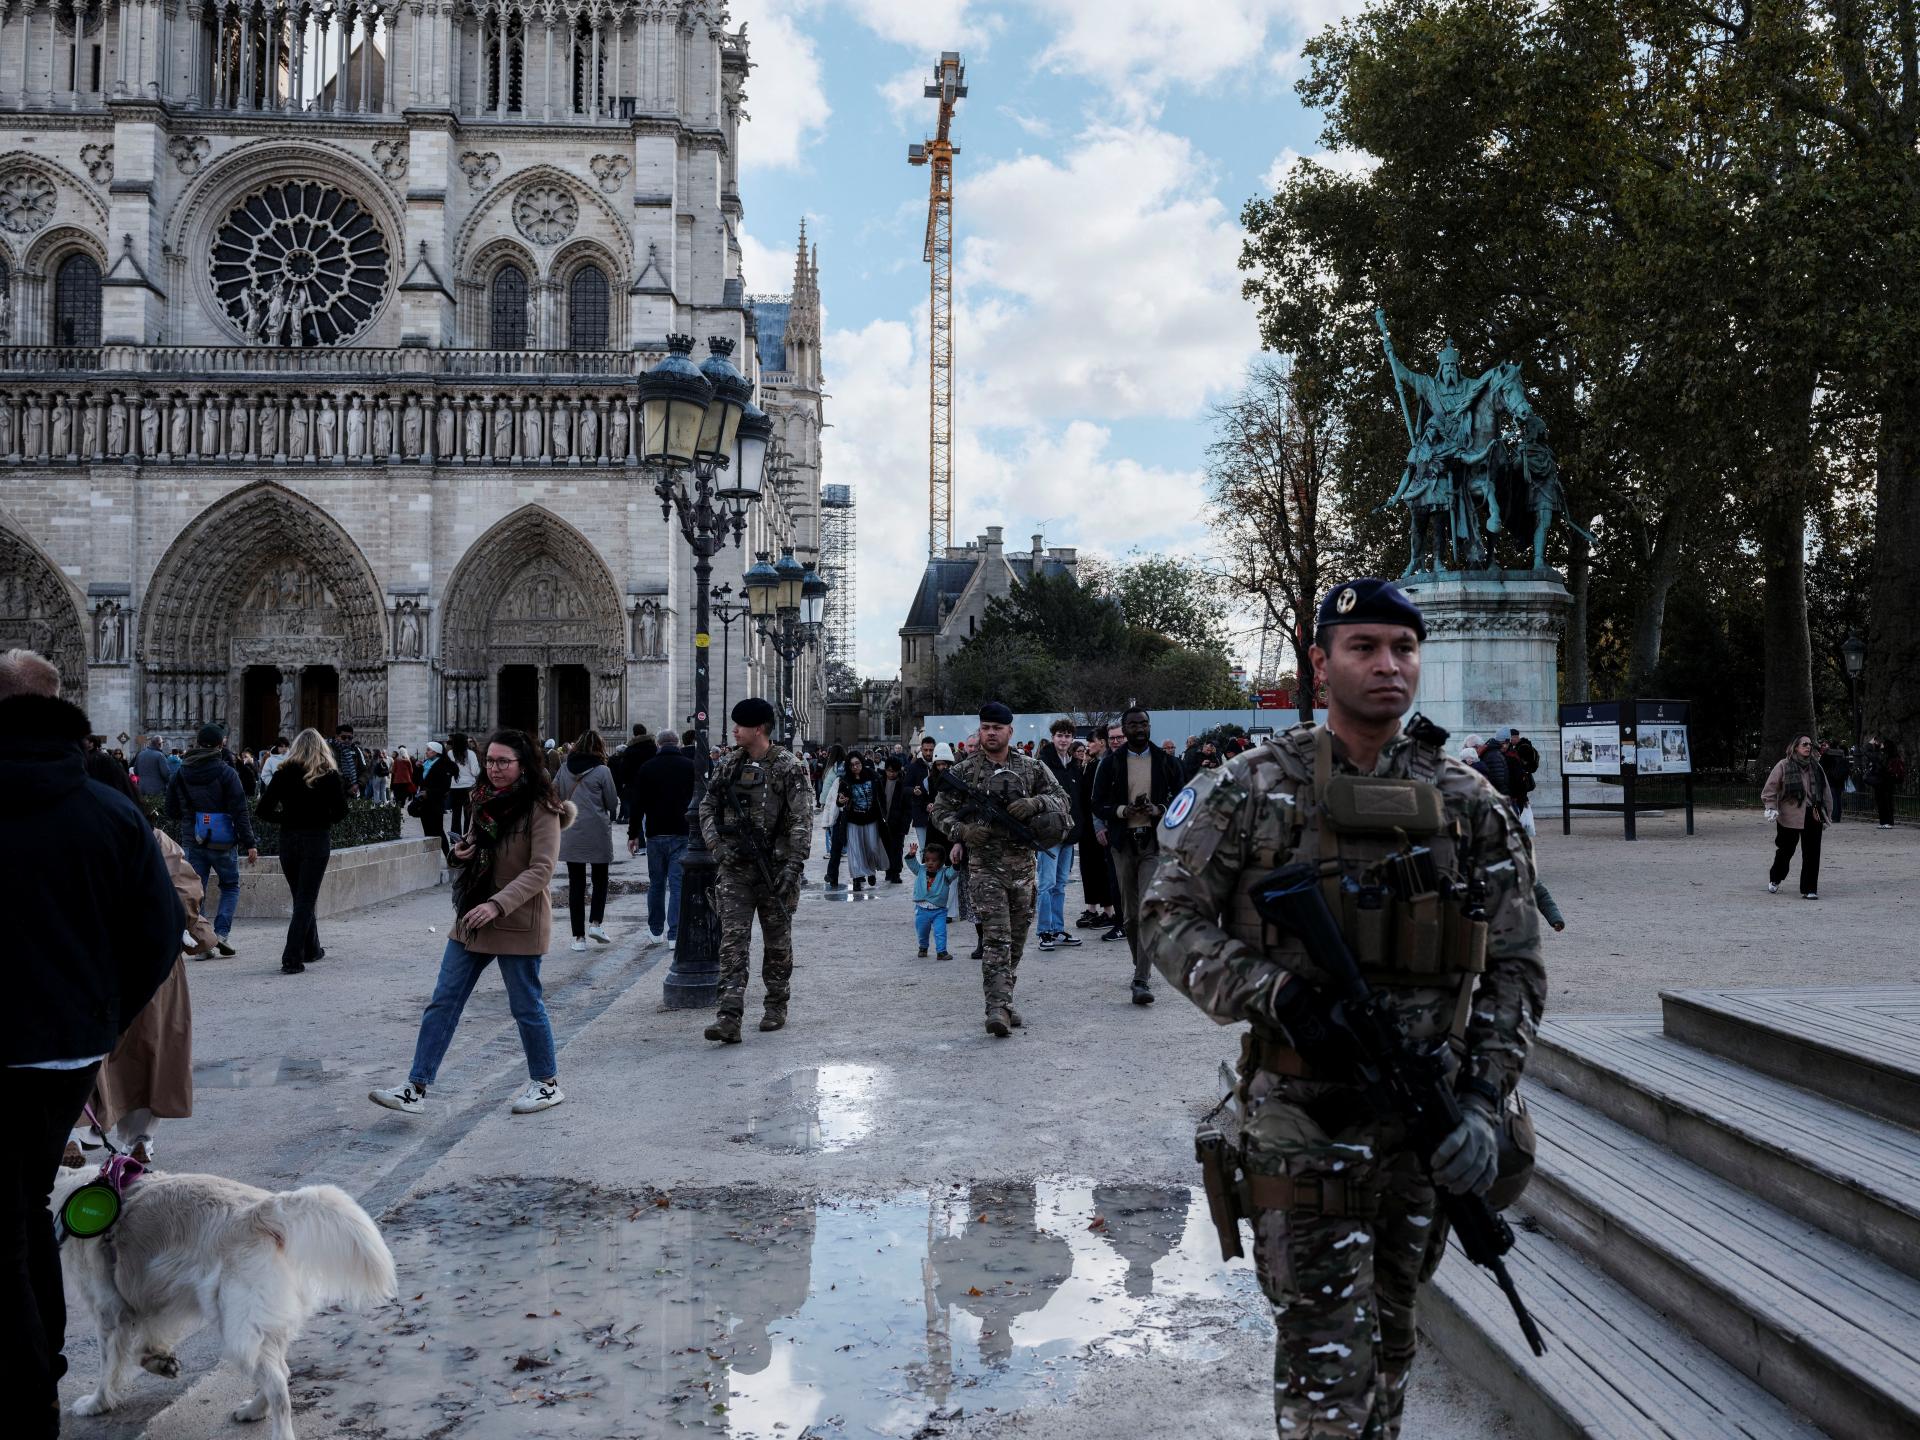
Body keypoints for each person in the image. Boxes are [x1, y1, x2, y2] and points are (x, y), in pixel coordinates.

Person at [1140, 578, 1546, 1440]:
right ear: (1320, 664)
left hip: (1423, 1125)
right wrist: (1275, 993)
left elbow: (1515, 967)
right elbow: (1166, 920)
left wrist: (1480, 1100)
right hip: (1301, 1117)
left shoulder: (1468, 800)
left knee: (1391, 1346)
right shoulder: (1250, 787)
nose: (1388, 666)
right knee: (1329, 1364)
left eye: (1403, 648)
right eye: (1363, 647)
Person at [0, 649, 181, 1435]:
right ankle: (44, 1373)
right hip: (65, 1057)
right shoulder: (111, 811)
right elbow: (160, 931)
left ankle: (29, 1384)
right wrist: (99, 1020)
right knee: (25, 1204)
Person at [370, 728, 571, 1116]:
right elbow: (477, 849)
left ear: (523, 763)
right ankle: (415, 1087)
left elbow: (541, 870)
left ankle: (546, 1083)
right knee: (443, 1001)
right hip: (474, 914)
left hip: (515, 917)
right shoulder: (483, 799)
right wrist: (461, 854)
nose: (494, 769)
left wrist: (498, 904)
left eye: (503, 762)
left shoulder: (542, 806)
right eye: (490, 761)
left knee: (525, 1005)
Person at [930, 701, 1071, 1037]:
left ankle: (1004, 1000)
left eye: (997, 728)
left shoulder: (1032, 768)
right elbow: (939, 811)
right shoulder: (964, 772)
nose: (990, 733)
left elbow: (1063, 801)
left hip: (1023, 867)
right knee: (997, 939)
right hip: (985, 869)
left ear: (1010, 731)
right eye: (985, 727)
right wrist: (961, 831)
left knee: (1018, 941)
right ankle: (996, 1009)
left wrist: (1036, 803)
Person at [87, 813, 214, 1164]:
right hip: (153, 958)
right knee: (150, 1049)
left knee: (88, 1048)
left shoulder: (67, 825)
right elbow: (186, 888)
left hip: (95, 956)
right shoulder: (154, 837)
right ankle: (140, 1137)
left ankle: (80, 1130)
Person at [700, 697, 815, 1043]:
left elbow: (801, 820)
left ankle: (776, 1004)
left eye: (741, 725)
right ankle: (729, 1015)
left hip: (775, 870)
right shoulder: (729, 765)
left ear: (760, 728)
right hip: (735, 868)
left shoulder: (788, 766)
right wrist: (718, 849)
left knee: (777, 942)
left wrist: (793, 867)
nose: (734, 730)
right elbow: (707, 807)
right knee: (732, 941)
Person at [1090, 706, 1186, 1004]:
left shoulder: (1168, 762)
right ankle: (1140, 964)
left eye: (1144, 723)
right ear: (1124, 728)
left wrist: (1160, 809)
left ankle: (1141, 979)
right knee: (1130, 917)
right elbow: (1097, 803)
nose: (1139, 728)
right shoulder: (1110, 764)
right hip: (1123, 844)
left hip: (1154, 845)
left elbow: (1184, 801)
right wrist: (1122, 811)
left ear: (1149, 726)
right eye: (1133, 724)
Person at [256, 728, 349, 973]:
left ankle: (312, 949)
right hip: (316, 839)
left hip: (289, 840)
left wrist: (287, 817)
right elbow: (341, 812)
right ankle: (291, 957)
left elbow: (262, 810)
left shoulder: (283, 773)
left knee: (301, 897)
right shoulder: (328, 775)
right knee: (306, 898)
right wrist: (320, 818)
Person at [165, 722, 260, 957]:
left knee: (197, 889)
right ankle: (222, 933)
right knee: (230, 885)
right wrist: (250, 843)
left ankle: (202, 941)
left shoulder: (181, 771)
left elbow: (171, 809)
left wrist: (192, 816)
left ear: (198, 744)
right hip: (223, 839)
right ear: (220, 745)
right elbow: (240, 810)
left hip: (194, 837)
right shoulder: (227, 771)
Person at [629, 730, 696, 944]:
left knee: (656, 884)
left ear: (658, 744)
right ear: (677, 744)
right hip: (681, 831)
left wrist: (633, 834)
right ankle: (674, 934)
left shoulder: (647, 767)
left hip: (655, 832)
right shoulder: (689, 766)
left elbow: (637, 804)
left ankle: (656, 930)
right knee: (677, 884)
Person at [555, 729, 619, 951]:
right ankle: (595, 923)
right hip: (597, 829)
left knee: (576, 884)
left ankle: (578, 938)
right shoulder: (602, 771)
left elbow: (555, 794)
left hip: (572, 829)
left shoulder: (564, 769)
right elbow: (611, 802)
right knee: (600, 879)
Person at [1761, 734, 1833, 899]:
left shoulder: (1816, 767)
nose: (1808, 747)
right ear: (1795, 747)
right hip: (1789, 815)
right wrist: (1770, 807)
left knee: (1812, 853)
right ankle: (1776, 877)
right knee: (1786, 851)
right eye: (1804, 744)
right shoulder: (1784, 765)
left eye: (1810, 745)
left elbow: (1825, 791)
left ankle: (1810, 889)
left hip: (1812, 813)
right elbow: (1770, 788)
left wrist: (1827, 813)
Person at [1035, 718, 1083, 953]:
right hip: (1049, 834)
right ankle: (1044, 930)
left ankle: (1057, 928)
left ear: (1072, 739)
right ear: (1053, 737)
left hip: (1069, 833)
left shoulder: (1074, 764)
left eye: (1067, 736)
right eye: (1060, 735)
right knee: (1046, 884)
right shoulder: (1043, 763)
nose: (1063, 740)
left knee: (1060, 884)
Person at [1076, 731, 1116, 931]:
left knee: (1102, 869)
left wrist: (1100, 825)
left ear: (1101, 742)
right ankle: (1093, 909)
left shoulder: (1106, 764)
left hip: (1099, 825)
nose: (1087, 746)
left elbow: (1098, 797)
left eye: (1090, 742)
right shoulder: (1092, 764)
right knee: (1090, 868)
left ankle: (1109, 912)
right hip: (1088, 825)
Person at [835, 751, 887, 893]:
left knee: (872, 847)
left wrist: (884, 814)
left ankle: (871, 871)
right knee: (855, 851)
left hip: (871, 819)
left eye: (857, 763)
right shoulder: (845, 781)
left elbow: (881, 797)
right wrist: (841, 801)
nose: (855, 767)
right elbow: (839, 801)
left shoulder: (873, 776)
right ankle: (857, 879)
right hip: (853, 820)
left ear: (862, 763)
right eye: (852, 765)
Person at [904, 838, 956, 961]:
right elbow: (913, 865)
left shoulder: (945, 873)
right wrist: (912, 855)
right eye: (927, 860)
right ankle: (923, 947)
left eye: (934, 860)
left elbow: (953, 873)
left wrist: (956, 864)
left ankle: (941, 951)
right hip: (922, 909)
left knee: (940, 931)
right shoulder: (920, 870)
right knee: (922, 931)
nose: (930, 863)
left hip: (939, 911)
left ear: (942, 861)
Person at [418, 739, 455, 851]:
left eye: (428, 750)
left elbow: (444, 787)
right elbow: (418, 781)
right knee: (427, 831)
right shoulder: (426, 764)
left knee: (438, 831)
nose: (426, 752)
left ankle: (448, 855)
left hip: (435, 802)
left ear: (435, 752)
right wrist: (418, 768)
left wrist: (428, 793)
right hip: (424, 803)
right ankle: (431, 856)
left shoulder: (442, 765)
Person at [880, 754, 912, 883]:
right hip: (884, 822)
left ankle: (896, 872)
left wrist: (905, 825)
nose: (891, 774)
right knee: (886, 848)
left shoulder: (903, 784)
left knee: (897, 848)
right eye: (889, 771)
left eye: (894, 771)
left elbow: (908, 808)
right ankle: (888, 871)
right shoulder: (881, 781)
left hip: (898, 823)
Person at [906, 733, 938, 851]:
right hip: (920, 812)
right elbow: (905, 787)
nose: (928, 753)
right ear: (921, 749)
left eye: (931, 750)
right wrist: (913, 791)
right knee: (924, 848)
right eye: (926, 750)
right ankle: (926, 869)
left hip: (938, 812)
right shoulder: (914, 766)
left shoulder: (939, 765)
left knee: (938, 847)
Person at [445, 731, 479, 836]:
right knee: (468, 814)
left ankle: (455, 837)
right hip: (468, 787)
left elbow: (448, 771)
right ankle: (467, 835)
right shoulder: (471, 754)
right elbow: (475, 772)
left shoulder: (450, 754)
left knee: (456, 814)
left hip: (454, 786)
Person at [1817, 739, 1850, 824]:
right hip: (1840, 779)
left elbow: (1821, 766)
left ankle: (1833, 816)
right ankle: (1838, 816)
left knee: (1832, 797)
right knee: (1838, 797)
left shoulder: (1827, 754)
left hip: (1830, 778)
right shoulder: (1842, 754)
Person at [331, 723, 367, 797]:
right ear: (336, 736)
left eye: (350, 738)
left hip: (352, 791)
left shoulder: (356, 750)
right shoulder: (328, 750)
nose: (347, 740)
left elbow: (365, 770)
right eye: (343, 737)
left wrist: (358, 785)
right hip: (333, 792)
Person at [134, 732, 171, 797]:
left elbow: (135, 771)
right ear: (159, 744)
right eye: (162, 743)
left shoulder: (140, 754)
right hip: (157, 789)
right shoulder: (160, 755)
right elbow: (166, 773)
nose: (163, 745)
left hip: (142, 788)